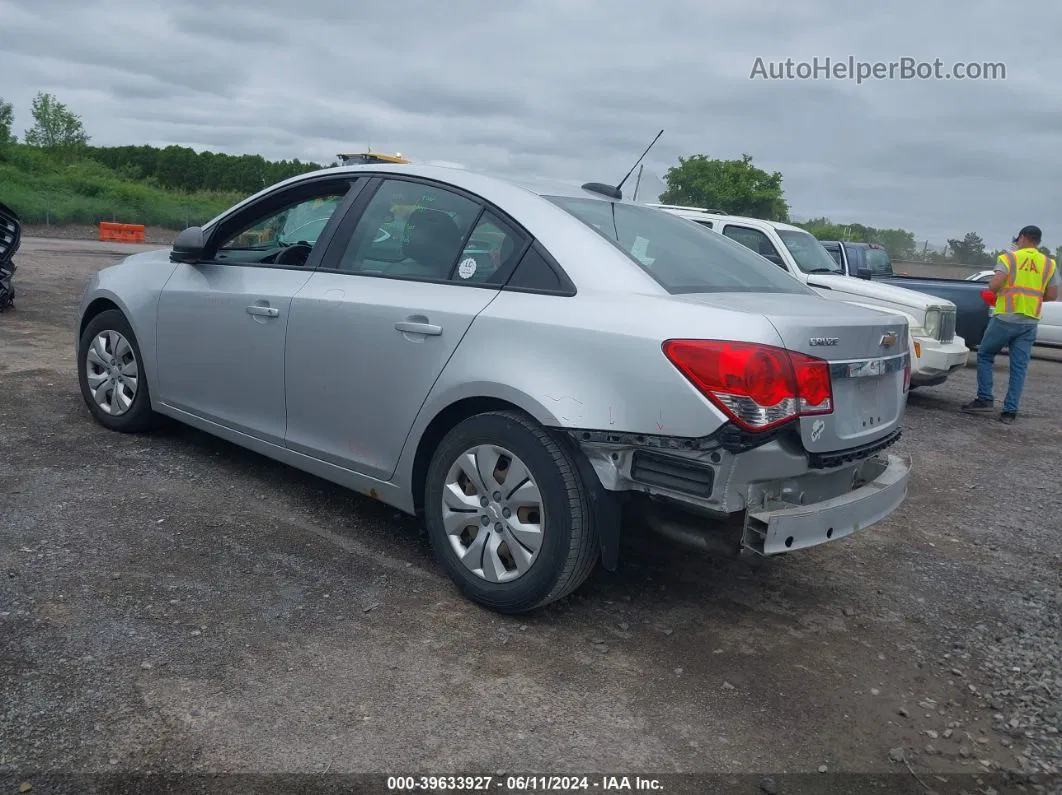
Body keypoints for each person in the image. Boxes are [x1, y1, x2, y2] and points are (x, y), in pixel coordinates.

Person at [962, 225, 1059, 423]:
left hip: (1005, 317)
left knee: (985, 354)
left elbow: (995, 284)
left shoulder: (1010, 258)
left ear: (1022, 238)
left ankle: (984, 399)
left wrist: (997, 290)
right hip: (1030, 321)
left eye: (1018, 239)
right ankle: (1009, 412)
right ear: (1038, 241)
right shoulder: (1049, 264)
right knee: (1019, 367)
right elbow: (1052, 295)